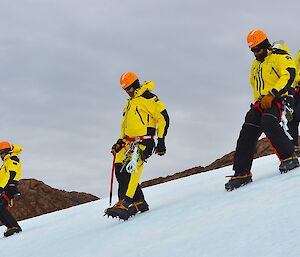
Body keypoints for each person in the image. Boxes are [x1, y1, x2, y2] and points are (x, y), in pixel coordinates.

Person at [225, 29, 299, 191]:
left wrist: (272, 94)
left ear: (265, 45)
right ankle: (241, 173)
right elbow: (255, 85)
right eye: (252, 50)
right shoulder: (256, 64)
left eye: (258, 49)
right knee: (247, 130)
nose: (255, 53)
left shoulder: (280, 57)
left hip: (280, 98)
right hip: (262, 101)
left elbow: (289, 75)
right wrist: (260, 101)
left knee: (269, 121)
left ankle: (289, 158)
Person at [104, 72, 169, 220]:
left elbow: (163, 117)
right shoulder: (130, 103)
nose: (126, 91)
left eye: (128, 88)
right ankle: (138, 202)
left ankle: (125, 202)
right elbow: (125, 127)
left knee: (132, 169)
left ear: (135, 84)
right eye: (124, 89)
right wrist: (119, 142)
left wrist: (161, 140)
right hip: (128, 142)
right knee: (120, 170)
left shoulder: (148, 98)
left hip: (144, 141)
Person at [0, 141, 22, 237]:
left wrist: (1, 187)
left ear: (7, 151)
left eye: (1, 153)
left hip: (9, 187)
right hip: (5, 187)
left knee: (0, 206)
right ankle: (11, 227)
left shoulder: (13, 159)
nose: (0, 155)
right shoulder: (6, 162)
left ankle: (14, 227)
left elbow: (10, 175)